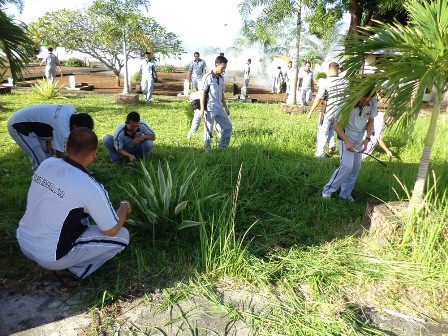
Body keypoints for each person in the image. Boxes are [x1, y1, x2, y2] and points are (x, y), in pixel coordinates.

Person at [16, 127, 131, 288]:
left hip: (24, 242)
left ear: (66, 145)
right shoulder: (91, 187)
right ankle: (75, 271)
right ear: (95, 152)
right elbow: (111, 230)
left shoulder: (46, 164)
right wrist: (124, 207)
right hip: (50, 256)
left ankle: (65, 260)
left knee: (77, 216)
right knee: (122, 236)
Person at [322, 91, 378, 201]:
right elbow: (336, 126)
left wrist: (367, 139)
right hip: (345, 138)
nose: (367, 101)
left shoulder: (372, 102)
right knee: (347, 166)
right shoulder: (347, 104)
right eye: (365, 98)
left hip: (358, 139)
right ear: (358, 95)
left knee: (355, 168)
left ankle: (345, 194)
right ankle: (327, 190)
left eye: (369, 99)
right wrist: (347, 141)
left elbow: (371, 121)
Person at [7, 104, 94, 172]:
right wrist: (77, 169)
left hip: (32, 124)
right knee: (40, 160)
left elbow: (49, 121)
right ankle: (40, 183)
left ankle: (49, 176)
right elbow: (60, 156)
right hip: (18, 126)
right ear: (75, 126)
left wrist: (48, 141)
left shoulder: (70, 109)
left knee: (48, 155)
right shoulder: (62, 128)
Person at [307, 62, 344, 159]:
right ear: (338, 70)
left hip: (328, 110)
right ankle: (333, 145)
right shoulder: (344, 81)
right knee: (335, 129)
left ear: (328, 70)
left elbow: (318, 98)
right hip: (340, 111)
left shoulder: (325, 82)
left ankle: (320, 154)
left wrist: (311, 111)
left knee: (323, 131)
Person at [200, 55, 232, 151]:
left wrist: (225, 107)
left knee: (228, 126)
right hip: (210, 108)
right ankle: (207, 151)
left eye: (225, 68)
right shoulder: (207, 77)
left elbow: (221, 93)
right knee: (208, 129)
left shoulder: (221, 78)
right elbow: (202, 93)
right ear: (216, 65)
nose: (223, 70)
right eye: (222, 68)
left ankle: (222, 147)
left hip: (219, 108)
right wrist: (202, 109)